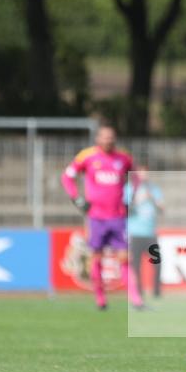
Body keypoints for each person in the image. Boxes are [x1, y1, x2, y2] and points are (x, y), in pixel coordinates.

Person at [61, 125, 137, 309]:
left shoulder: (123, 158)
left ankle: (135, 299)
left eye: (111, 137)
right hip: (96, 217)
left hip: (118, 216)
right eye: (104, 137)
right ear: (98, 139)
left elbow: (136, 179)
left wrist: (129, 198)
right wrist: (77, 199)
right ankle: (100, 299)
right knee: (96, 257)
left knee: (124, 257)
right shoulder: (86, 156)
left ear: (115, 139)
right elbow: (67, 177)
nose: (108, 141)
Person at [125, 163, 164, 307]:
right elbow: (125, 209)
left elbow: (162, 208)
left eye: (146, 172)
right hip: (135, 234)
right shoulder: (129, 189)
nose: (144, 175)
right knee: (135, 266)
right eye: (141, 172)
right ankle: (138, 292)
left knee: (157, 262)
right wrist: (139, 199)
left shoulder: (153, 189)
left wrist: (152, 198)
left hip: (150, 234)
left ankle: (156, 291)